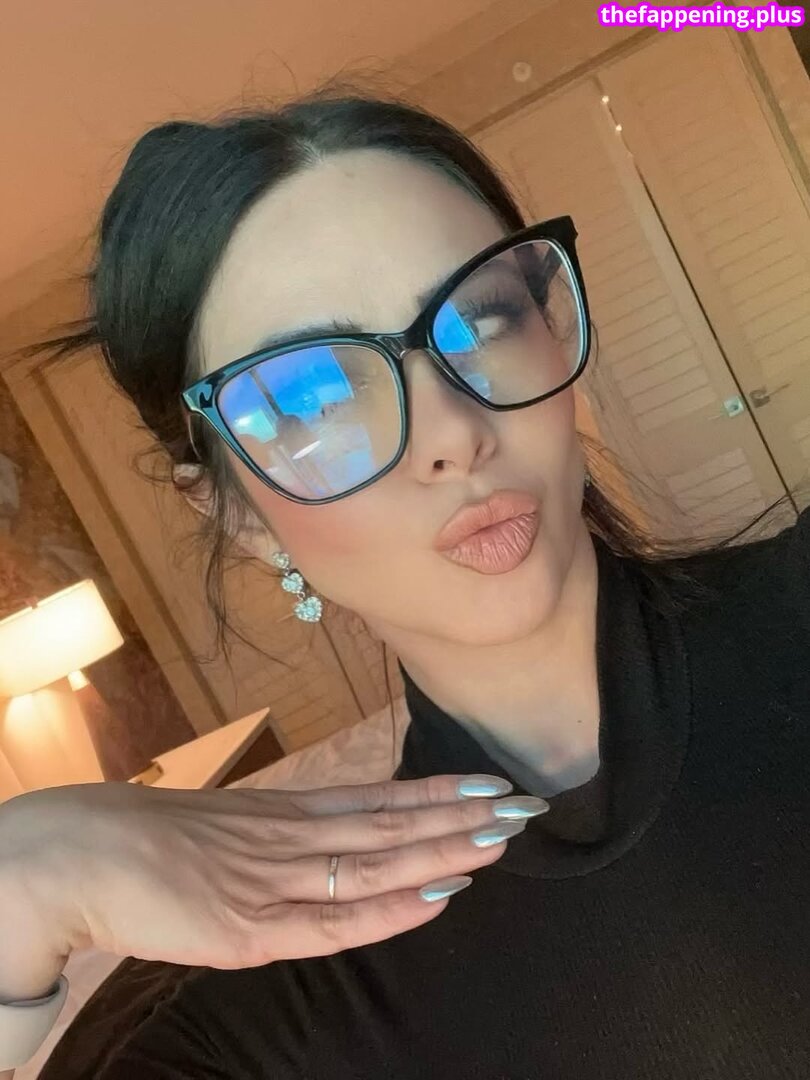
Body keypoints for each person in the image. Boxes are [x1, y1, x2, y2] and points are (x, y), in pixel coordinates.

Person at [1, 88, 807, 1079]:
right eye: (311, 395)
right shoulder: (268, 1015)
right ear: (239, 511)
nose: (454, 434)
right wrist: (21, 882)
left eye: (482, 319)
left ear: (551, 330)